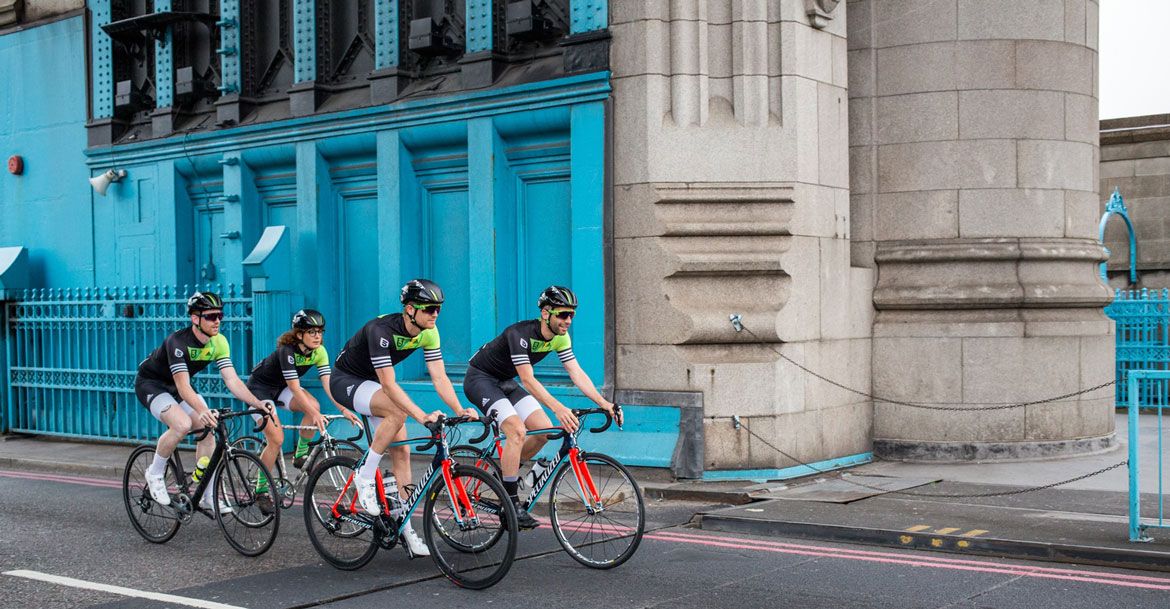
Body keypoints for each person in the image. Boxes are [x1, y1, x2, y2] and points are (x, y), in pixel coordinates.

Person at [329, 279, 479, 557]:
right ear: (410, 309)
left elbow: (439, 376)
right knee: (396, 413)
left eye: (438, 309)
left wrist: (460, 409)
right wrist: (422, 415)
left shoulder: (429, 333)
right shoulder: (381, 331)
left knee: (403, 453)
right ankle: (364, 475)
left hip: (372, 384)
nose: (435, 314)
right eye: (429, 308)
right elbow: (389, 385)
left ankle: (405, 527)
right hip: (346, 381)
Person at [463, 286, 618, 529]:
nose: (568, 320)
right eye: (562, 315)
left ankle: (504, 479)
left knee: (544, 430)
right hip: (480, 380)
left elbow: (575, 372)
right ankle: (511, 501)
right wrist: (558, 408)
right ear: (546, 313)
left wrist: (604, 403)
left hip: (505, 382)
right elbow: (528, 380)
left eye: (571, 315)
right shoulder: (520, 334)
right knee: (516, 430)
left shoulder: (560, 337)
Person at [134, 291, 276, 513]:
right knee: (182, 424)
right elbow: (183, 386)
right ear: (195, 318)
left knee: (209, 429)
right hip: (152, 384)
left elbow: (232, 379)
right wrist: (202, 410)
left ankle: (207, 496)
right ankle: (154, 473)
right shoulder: (177, 342)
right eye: (210, 316)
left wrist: (257, 403)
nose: (217, 320)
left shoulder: (218, 342)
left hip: (179, 388)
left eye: (220, 315)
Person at [245, 309, 361, 513]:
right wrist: (316, 416)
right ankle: (261, 490)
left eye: (320, 332)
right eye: (312, 332)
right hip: (259, 389)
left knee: (314, 406)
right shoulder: (286, 351)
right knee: (276, 439)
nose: (318, 336)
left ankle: (300, 455)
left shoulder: (319, 352)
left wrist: (343, 408)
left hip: (281, 389)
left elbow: (329, 383)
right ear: (299, 334)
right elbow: (295, 388)